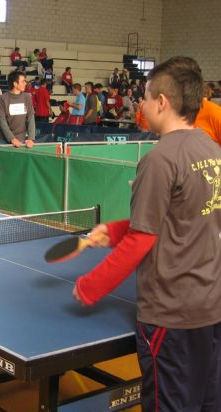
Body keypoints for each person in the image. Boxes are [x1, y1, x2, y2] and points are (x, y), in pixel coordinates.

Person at [72, 56, 221, 412]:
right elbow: (182, 218)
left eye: (145, 95)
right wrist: (114, 229)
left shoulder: (159, 159)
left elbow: (143, 239)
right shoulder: (212, 150)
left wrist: (90, 286)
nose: (141, 104)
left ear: (162, 102)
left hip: (169, 315)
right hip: (210, 308)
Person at [0, 70, 35, 147]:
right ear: (15, 84)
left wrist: (31, 138)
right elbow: (2, 121)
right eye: (23, 81)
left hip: (22, 140)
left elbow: (31, 118)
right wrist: (12, 138)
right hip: (3, 141)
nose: (25, 84)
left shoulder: (27, 97)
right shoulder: (2, 98)